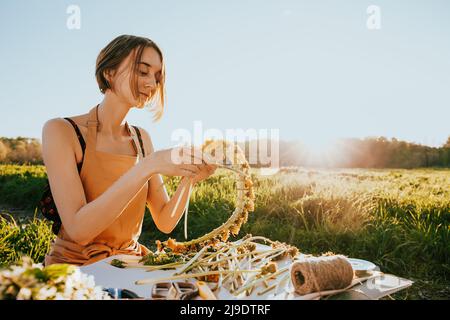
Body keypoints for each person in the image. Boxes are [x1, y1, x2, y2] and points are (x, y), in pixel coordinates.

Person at [42, 34, 216, 266]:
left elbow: (165, 221)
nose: (152, 84)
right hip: (77, 268)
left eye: (157, 77)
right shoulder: (61, 131)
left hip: (128, 265)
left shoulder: (142, 138)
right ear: (109, 72)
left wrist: (189, 180)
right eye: (143, 71)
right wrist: (146, 166)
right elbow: (79, 230)